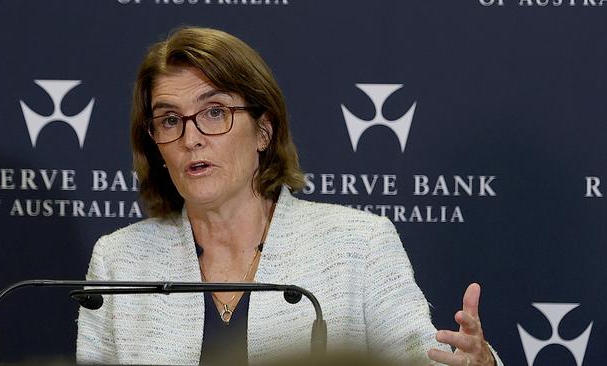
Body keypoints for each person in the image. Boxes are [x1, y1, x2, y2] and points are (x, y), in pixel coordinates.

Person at [76, 26, 503, 366]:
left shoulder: (359, 244)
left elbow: (423, 360)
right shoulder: (118, 261)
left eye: (214, 112)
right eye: (169, 120)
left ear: (264, 130)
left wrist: (479, 365)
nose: (191, 138)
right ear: (154, 143)